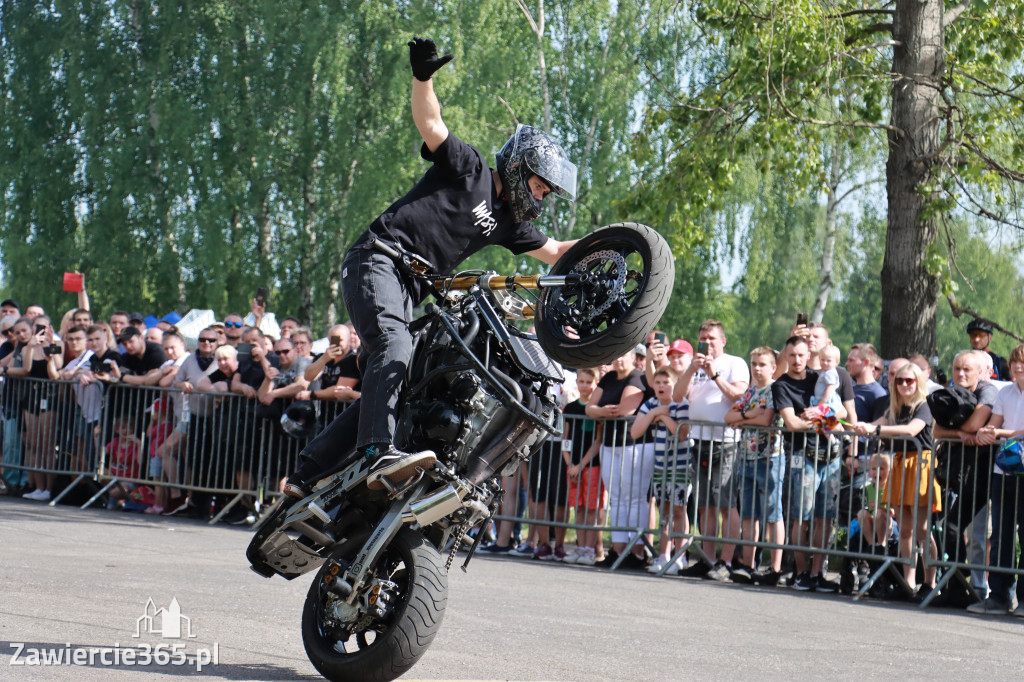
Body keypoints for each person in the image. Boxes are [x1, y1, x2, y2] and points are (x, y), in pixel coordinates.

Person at [284, 36, 578, 496]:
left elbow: (558, 251)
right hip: (379, 258)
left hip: (411, 291)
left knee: (412, 374)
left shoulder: (509, 223)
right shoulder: (471, 169)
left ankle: (306, 475)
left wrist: (621, 245)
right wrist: (423, 76)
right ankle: (375, 452)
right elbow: (431, 122)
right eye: (541, 187)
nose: (541, 198)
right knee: (395, 348)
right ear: (521, 169)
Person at [854, 362, 940, 598]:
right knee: (904, 530)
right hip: (902, 463)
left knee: (923, 530)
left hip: (920, 465)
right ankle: (908, 582)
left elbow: (912, 430)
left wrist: (876, 431)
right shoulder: (895, 407)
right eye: (899, 381)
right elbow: (879, 422)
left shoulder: (925, 405)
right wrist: (865, 426)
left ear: (918, 382)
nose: (903, 385)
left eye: (909, 380)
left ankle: (929, 583)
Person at [673, 319, 749, 581]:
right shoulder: (695, 365)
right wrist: (690, 370)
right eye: (703, 338)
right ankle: (708, 559)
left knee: (727, 506)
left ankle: (726, 562)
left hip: (725, 442)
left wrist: (715, 373)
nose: (707, 342)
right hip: (700, 441)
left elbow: (739, 395)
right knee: (705, 506)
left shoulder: (734, 363)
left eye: (712, 338)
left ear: (723, 341)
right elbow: (677, 396)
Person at [772, 335, 842, 592]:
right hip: (802, 457)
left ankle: (816, 573)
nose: (797, 360)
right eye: (792, 355)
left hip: (830, 455)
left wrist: (819, 414)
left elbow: (842, 412)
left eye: (802, 355)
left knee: (825, 517)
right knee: (801, 517)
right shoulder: (781, 385)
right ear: (786, 357)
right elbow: (792, 423)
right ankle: (801, 572)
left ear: (808, 355)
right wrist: (822, 420)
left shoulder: (820, 376)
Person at [725, 347, 785, 585]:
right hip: (747, 457)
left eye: (762, 364)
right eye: (754, 364)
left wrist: (744, 417)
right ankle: (748, 566)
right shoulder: (750, 391)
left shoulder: (775, 389)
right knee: (749, 515)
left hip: (770, 457)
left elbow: (766, 419)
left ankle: (775, 567)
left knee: (772, 513)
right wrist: (749, 415)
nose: (757, 368)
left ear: (773, 367)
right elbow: (729, 417)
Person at [971, 343, 1024, 616]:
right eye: (1015, 361)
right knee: (1002, 533)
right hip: (1004, 470)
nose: (1017, 366)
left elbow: (1011, 430)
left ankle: (1022, 597)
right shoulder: (1005, 392)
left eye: (1023, 363)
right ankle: (999, 595)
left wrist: (1001, 434)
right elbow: (995, 421)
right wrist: (986, 431)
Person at [587, 350, 647, 569]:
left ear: (632, 356)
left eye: (624, 355)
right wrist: (602, 410)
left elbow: (624, 409)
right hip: (610, 444)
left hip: (634, 443)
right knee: (617, 499)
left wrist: (599, 411)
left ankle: (638, 552)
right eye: (616, 356)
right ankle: (618, 549)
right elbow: (589, 408)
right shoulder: (609, 377)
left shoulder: (638, 376)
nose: (619, 360)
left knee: (635, 499)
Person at [631, 367, 690, 575]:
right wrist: (655, 413)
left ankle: (679, 555)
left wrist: (664, 418)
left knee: (678, 510)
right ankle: (663, 554)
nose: (661, 386)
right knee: (664, 511)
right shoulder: (651, 404)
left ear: (674, 385)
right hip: (659, 466)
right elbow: (635, 431)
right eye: (657, 383)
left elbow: (681, 434)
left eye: (666, 382)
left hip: (680, 466)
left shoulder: (681, 404)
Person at [560, 368, 604, 565]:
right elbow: (565, 438)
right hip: (573, 466)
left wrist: (581, 464)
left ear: (595, 384)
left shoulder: (597, 408)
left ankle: (589, 549)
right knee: (578, 507)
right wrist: (569, 463)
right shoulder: (570, 408)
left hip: (592, 465)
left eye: (588, 381)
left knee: (591, 508)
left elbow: (597, 441)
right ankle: (579, 547)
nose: (584, 385)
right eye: (581, 381)